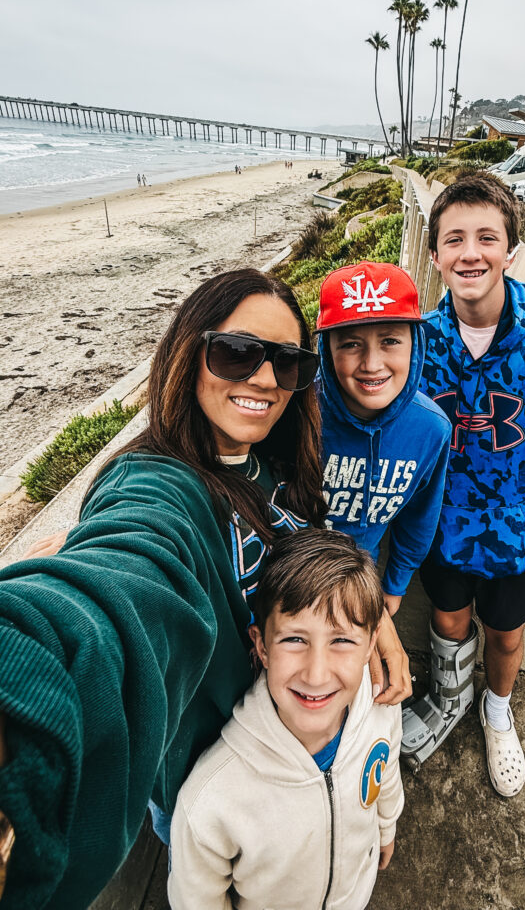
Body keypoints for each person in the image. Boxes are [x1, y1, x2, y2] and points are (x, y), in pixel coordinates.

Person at [0, 269, 410, 910]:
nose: (266, 380)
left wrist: (370, 617)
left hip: (300, 726)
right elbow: (126, 575)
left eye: (288, 362)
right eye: (238, 352)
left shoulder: (275, 458)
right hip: (214, 767)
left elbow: (307, 555)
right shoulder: (160, 484)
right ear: (188, 353)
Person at [401, 173, 525, 795]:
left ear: (510, 251)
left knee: (505, 634)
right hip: (442, 529)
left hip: (518, 538)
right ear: (435, 255)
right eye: (454, 238)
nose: (470, 252)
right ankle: (447, 702)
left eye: (487, 237)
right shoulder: (419, 342)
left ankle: (495, 711)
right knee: (448, 624)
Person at [168, 528, 403, 910]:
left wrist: (387, 827)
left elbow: (385, 769)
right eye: (295, 639)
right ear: (261, 646)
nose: (316, 674)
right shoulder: (211, 799)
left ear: (372, 645)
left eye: (341, 640)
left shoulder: (381, 708)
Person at [315, 261, 451, 618]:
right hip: (284, 580)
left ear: (415, 344)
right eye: (350, 344)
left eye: (390, 341)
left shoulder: (431, 429)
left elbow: (421, 514)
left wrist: (395, 582)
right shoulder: (298, 414)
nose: (372, 364)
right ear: (326, 350)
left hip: (361, 587)